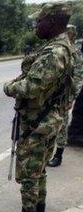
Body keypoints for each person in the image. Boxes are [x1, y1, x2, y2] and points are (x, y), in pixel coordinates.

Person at [0, 3, 78, 212]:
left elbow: (31, 87)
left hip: (38, 123)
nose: (36, 24)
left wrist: (9, 87)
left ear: (53, 22)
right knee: (39, 172)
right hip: (48, 119)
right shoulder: (65, 48)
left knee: (29, 175)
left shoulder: (54, 53)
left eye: (40, 21)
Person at [47, 24, 81, 167]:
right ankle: (46, 154)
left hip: (64, 96)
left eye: (68, 33)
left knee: (61, 127)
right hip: (52, 96)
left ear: (73, 35)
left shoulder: (75, 54)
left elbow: (78, 79)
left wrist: (71, 98)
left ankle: (58, 156)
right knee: (49, 125)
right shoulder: (59, 50)